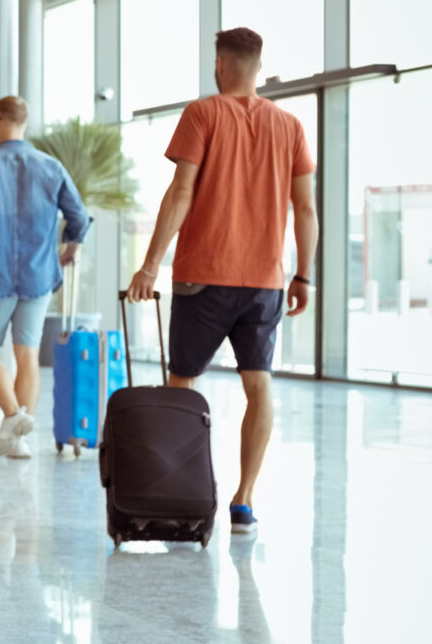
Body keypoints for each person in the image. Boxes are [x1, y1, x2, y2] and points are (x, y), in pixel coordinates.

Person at [127, 27, 316, 538]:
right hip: (264, 282)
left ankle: (181, 491)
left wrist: (150, 265)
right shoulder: (290, 125)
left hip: (202, 279)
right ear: (256, 65)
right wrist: (304, 276)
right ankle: (244, 502)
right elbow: (306, 209)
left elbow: (180, 190)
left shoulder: (203, 114)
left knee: (181, 385)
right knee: (259, 384)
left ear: (220, 64)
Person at [0, 95, 90, 459]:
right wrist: (69, 248)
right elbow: (79, 217)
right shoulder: (51, 166)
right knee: (27, 354)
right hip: (40, 277)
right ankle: (19, 438)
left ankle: (13, 417)